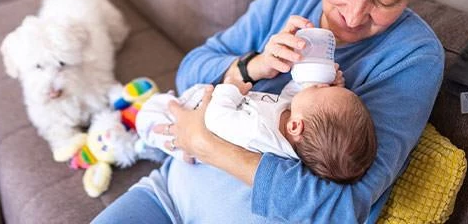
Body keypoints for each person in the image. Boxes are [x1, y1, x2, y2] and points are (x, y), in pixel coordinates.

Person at [93, 0, 452, 223]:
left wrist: (205, 143)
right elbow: (190, 71)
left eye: (385, 1)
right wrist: (250, 67)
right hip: (167, 196)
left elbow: (341, 208)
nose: (354, 15)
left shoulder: (413, 58)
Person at [136, 72, 377, 184]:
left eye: (321, 91)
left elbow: (216, 120)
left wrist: (230, 88)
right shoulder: (292, 127)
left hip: (198, 119)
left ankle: (141, 139)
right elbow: (292, 94)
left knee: (151, 113)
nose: (321, 87)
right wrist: (312, 80)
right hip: (201, 111)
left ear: (296, 126)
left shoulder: (257, 131)